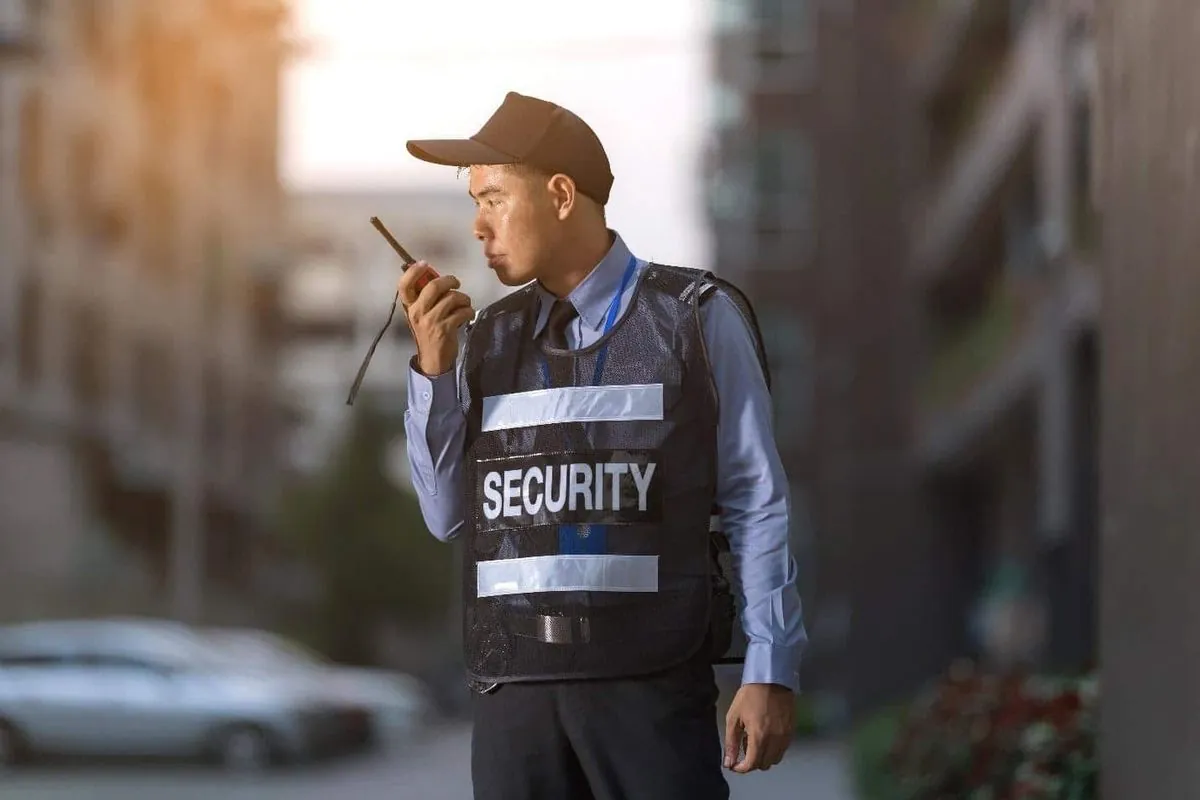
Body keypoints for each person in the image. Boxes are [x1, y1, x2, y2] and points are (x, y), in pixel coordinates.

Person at [397, 91, 808, 800]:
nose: (478, 224)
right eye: (474, 201)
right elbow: (446, 519)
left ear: (560, 194)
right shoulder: (483, 342)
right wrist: (432, 370)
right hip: (513, 697)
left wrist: (770, 668)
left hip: (648, 687)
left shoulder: (696, 320)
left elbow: (754, 498)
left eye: (493, 197)